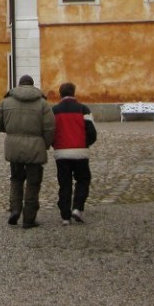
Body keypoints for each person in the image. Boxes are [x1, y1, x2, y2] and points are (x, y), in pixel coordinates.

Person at [0, 74, 55, 229]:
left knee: (16, 178)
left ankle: (15, 210)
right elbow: (50, 126)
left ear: (19, 85)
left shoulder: (7, 101)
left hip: (14, 147)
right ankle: (29, 218)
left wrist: (7, 130)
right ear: (32, 86)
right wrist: (45, 143)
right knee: (33, 182)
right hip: (35, 147)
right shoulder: (42, 104)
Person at [51, 82, 97, 225]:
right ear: (74, 93)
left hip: (61, 153)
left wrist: (55, 144)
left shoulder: (54, 110)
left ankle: (65, 216)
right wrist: (85, 144)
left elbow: (50, 131)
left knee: (64, 183)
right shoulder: (83, 109)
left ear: (61, 94)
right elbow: (92, 133)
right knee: (83, 180)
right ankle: (77, 207)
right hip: (80, 152)